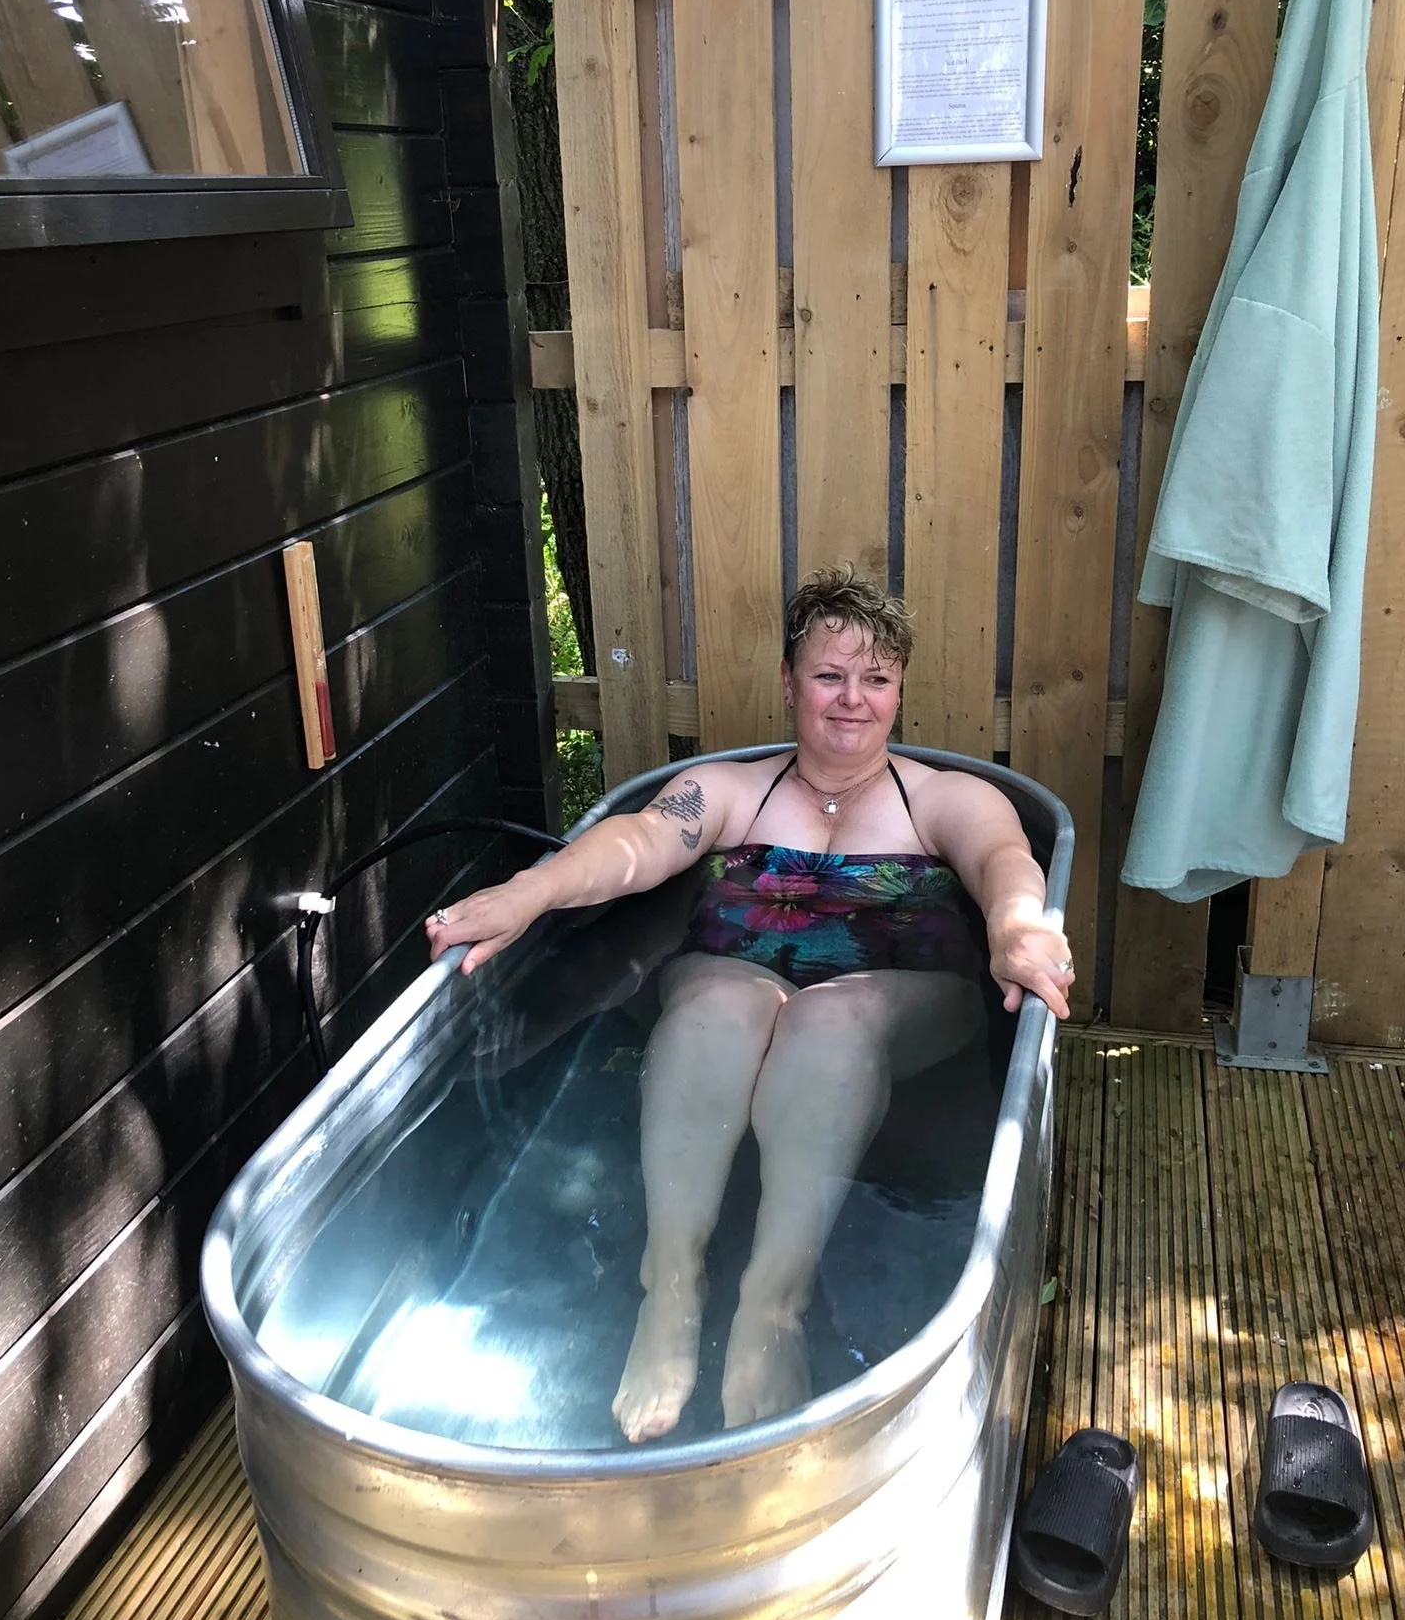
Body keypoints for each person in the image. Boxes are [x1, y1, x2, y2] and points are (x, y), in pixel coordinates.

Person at [426, 568, 1075, 1444]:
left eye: (876, 680)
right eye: (829, 676)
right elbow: (638, 843)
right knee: (712, 1012)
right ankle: (674, 1282)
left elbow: (1005, 860)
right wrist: (530, 894)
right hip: (736, 985)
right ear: (787, 682)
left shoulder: (947, 799)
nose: (853, 700)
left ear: (899, 692)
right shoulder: (732, 791)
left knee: (831, 1022)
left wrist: (1016, 927)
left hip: (895, 1004)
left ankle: (772, 1303)